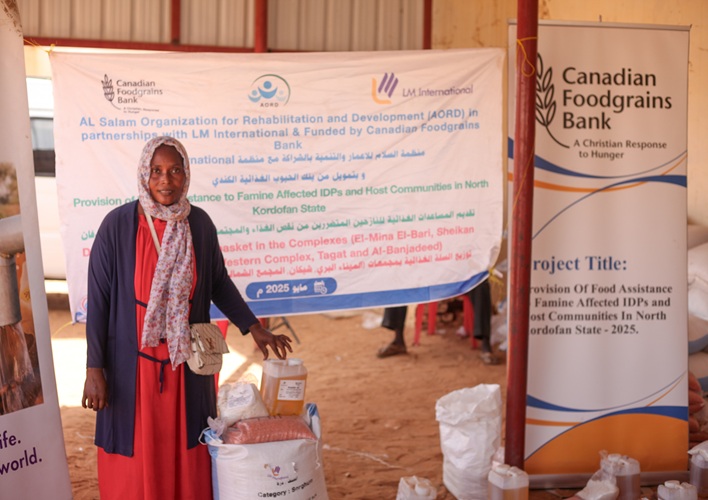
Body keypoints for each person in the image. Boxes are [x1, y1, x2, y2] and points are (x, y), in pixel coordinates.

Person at [81, 136, 293, 500]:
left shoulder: (199, 224)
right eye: (156, 171)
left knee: (187, 448)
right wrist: (94, 369)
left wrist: (253, 326)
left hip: (186, 365)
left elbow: (217, 281)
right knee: (135, 457)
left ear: (186, 175)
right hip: (132, 369)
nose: (166, 180)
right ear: (144, 175)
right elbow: (99, 302)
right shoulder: (117, 226)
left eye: (175, 170)